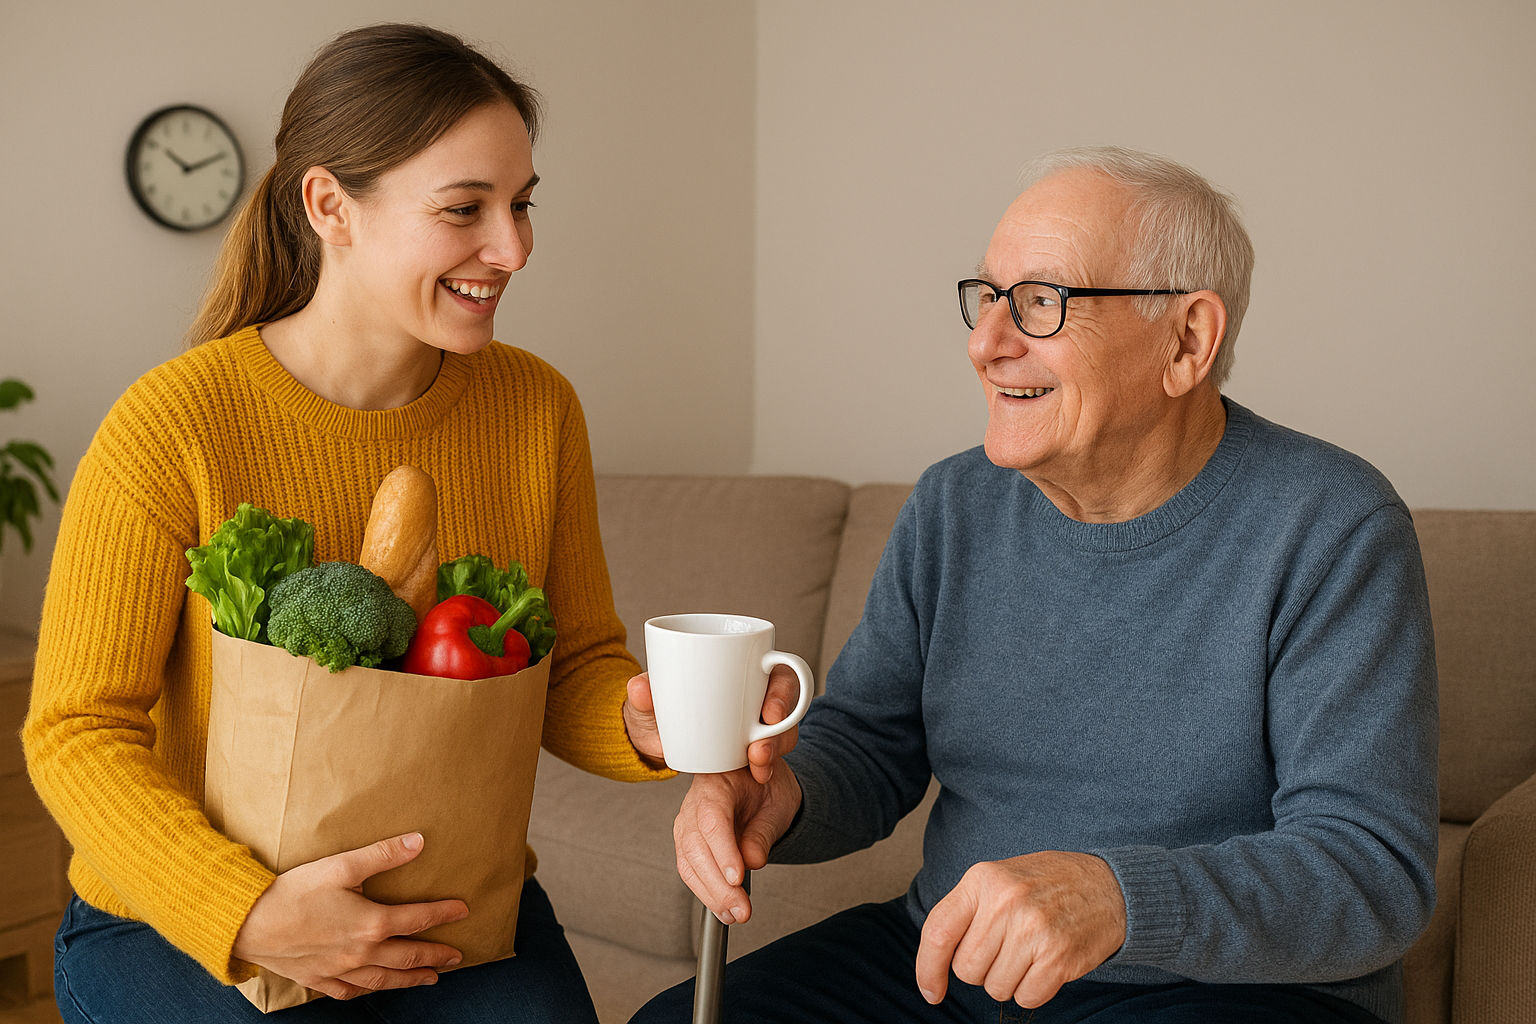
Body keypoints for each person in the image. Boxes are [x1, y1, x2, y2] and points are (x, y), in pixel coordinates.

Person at [22, 23, 790, 1024]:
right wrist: (247, 911)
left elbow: (571, 667)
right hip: (180, 919)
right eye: (464, 208)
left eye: (521, 204)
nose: (512, 248)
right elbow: (78, 732)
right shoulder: (172, 425)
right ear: (329, 206)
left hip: (449, 905)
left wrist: (647, 720)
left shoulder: (538, 410)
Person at [631, 147, 1439, 1024]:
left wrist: (1116, 898)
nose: (985, 344)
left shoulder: (1331, 525)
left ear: (1186, 341)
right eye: (987, 297)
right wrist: (781, 795)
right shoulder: (953, 505)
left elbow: (1371, 872)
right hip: (956, 964)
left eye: (1042, 303)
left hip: (1221, 992)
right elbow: (867, 744)